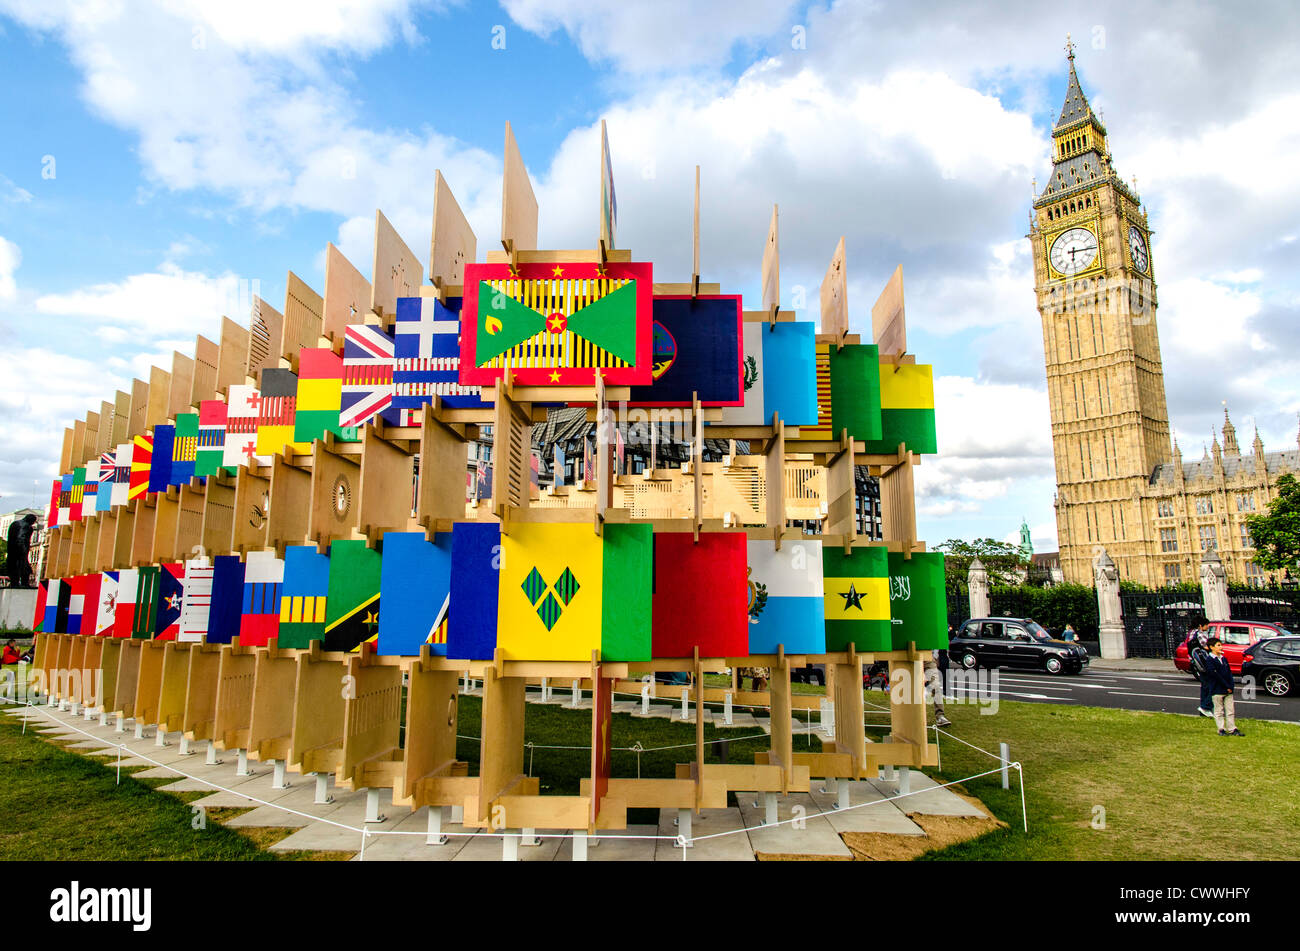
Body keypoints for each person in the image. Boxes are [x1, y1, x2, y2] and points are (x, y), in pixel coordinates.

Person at [1203, 636, 1243, 736]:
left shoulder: (1223, 658)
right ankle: (1221, 729)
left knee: (1230, 710)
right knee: (1219, 711)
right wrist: (1226, 686)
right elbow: (1215, 675)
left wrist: (1231, 686)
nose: (1221, 647)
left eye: (1221, 645)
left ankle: (1232, 729)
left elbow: (1229, 673)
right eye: (1218, 645)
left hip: (1228, 689)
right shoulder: (1210, 660)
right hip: (1217, 689)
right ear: (1212, 647)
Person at [1186, 617, 1213, 717]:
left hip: (1197, 663)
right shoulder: (1200, 634)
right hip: (1204, 663)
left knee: (1205, 686)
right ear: (1200, 626)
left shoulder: (1191, 633)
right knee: (1212, 685)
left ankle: (1204, 708)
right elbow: (1206, 647)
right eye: (1206, 625)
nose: (1208, 627)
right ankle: (1206, 707)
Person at [5, 514, 37, 588]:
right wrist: (23, 549)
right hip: (20, 549)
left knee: (13, 566)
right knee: (24, 567)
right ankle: (24, 583)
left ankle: (14, 583)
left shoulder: (15, 523)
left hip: (11, 549)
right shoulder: (26, 526)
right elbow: (21, 537)